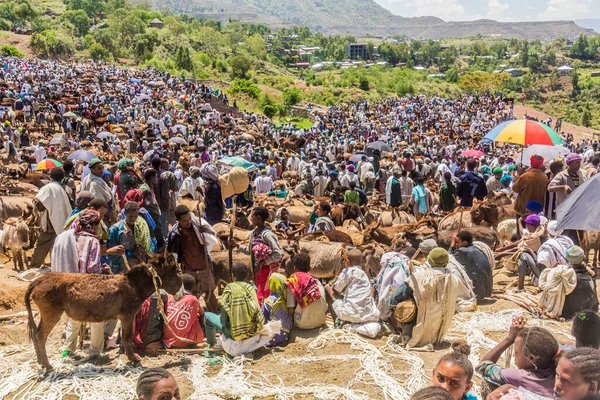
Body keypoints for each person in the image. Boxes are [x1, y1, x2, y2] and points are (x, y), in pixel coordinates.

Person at [52, 210, 107, 358]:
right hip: (88, 287)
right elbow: (93, 268)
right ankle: (96, 352)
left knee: (74, 318)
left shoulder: (69, 237)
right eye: (97, 225)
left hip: (72, 288)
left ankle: (68, 349)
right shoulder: (93, 241)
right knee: (97, 319)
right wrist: (104, 274)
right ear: (93, 225)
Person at [386, 248, 458, 347]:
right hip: (438, 332)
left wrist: (390, 305)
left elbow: (394, 298)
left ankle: (407, 335)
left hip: (419, 331)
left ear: (429, 260)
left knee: (406, 303)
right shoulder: (452, 279)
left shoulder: (420, 277)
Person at [204, 263, 276, 357]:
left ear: (233, 276)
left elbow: (223, 321)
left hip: (234, 334)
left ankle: (211, 343)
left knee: (207, 316)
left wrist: (229, 327)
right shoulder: (252, 288)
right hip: (253, 332)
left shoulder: (229, 289)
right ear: (246, 275)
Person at [476, 316, 559, 398]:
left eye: (516, 352)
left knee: (488, 382)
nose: (514, 355)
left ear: (531, 358)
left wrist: (509, 339)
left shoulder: (520, 377)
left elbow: (483, 366)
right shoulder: (559, 373)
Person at [166, 205, 219, 312]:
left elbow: (213, 234)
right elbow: (170, 250)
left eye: (189, 219)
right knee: (191, 294)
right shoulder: (174, 234)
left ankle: (214, 315)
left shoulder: (198, 226)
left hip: (204, 266)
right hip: (188, 268)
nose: (188, 222)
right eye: (185, 220)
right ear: (178, 220)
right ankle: (195, 316)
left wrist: (206, 231)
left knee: (210, 293)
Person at [234, 207, 283, 304]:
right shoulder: (253, 233)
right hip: (257, 272)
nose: (250, 219)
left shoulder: (267, 234)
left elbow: (277, 254)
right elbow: (250, 251)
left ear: (258, 218)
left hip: (267, 271)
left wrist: (262, 263)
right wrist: (237, 246)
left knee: (263, 297)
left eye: (252, 216)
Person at [30, 167, 73, 269]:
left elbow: (40, 207)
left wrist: (35, 203)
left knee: (41, 245)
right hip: (63, 222)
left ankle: (34, 267)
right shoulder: (65, 188)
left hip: (50, 223)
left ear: (50, 176)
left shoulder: (47, 188)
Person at [326, 248, 380, 325]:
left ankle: (338, 322)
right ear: (362, 262)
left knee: (328, 288)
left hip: (349, 314)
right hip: (368, 315)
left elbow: (336, 289)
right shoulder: (364, 275)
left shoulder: (348, 272)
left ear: (347, 261)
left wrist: (342, 267)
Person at [285, 250, 328, 330]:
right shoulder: (316, 281)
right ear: (309, 268)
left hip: (302, 323)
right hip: (321, 320)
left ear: (294, 268)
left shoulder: (292, 282)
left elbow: (290, 310)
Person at [107, 201, 151, 273]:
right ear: (125, 214)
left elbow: (148, 245)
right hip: (122, 270)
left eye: (135, 216)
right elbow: (111, 255)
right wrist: (130, 253)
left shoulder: (141, 227)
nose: (133, 219)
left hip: (139, 268)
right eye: (130, 216)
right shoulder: (115, 230)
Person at [162, 274, 205, 349]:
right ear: (193, 287)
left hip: (165, 339)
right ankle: (196, 340)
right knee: (199, 317)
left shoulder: (170, 296)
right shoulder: (193, 299)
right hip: (182, 342)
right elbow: (202, 314)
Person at [449, 231, 492, 302]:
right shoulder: (476, 249)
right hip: (487, 289)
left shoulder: (463, 251)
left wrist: (452, 243)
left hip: (477, 292)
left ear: (465, 243)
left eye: (458, 242)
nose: (457, 244)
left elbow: (448, 258)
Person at [561, 246, 599, 320]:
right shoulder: (591, 272)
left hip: (574, 313)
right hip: (592, 309)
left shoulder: (568, 276)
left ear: (568, 259)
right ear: (583, 258)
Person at [512, 155, 548, 226]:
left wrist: (519, 176)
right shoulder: (545, 177)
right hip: (537, 211)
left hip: (523, 210)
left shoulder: (525, 176)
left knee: (521, 230)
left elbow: (514, 188)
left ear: (531, 163)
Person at [80, 158, 116, 224]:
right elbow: (100, 203)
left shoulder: (90, 178)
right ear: (92, 169)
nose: (102, 170)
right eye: (99, 168)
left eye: (102, 168)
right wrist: (110, 216)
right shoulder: (95, 183)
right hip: (102, 215)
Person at [261, 272, 293, 346]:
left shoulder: (268, 301)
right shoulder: (287, 300)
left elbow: (262, 317)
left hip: (273, 336)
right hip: (285, 336)